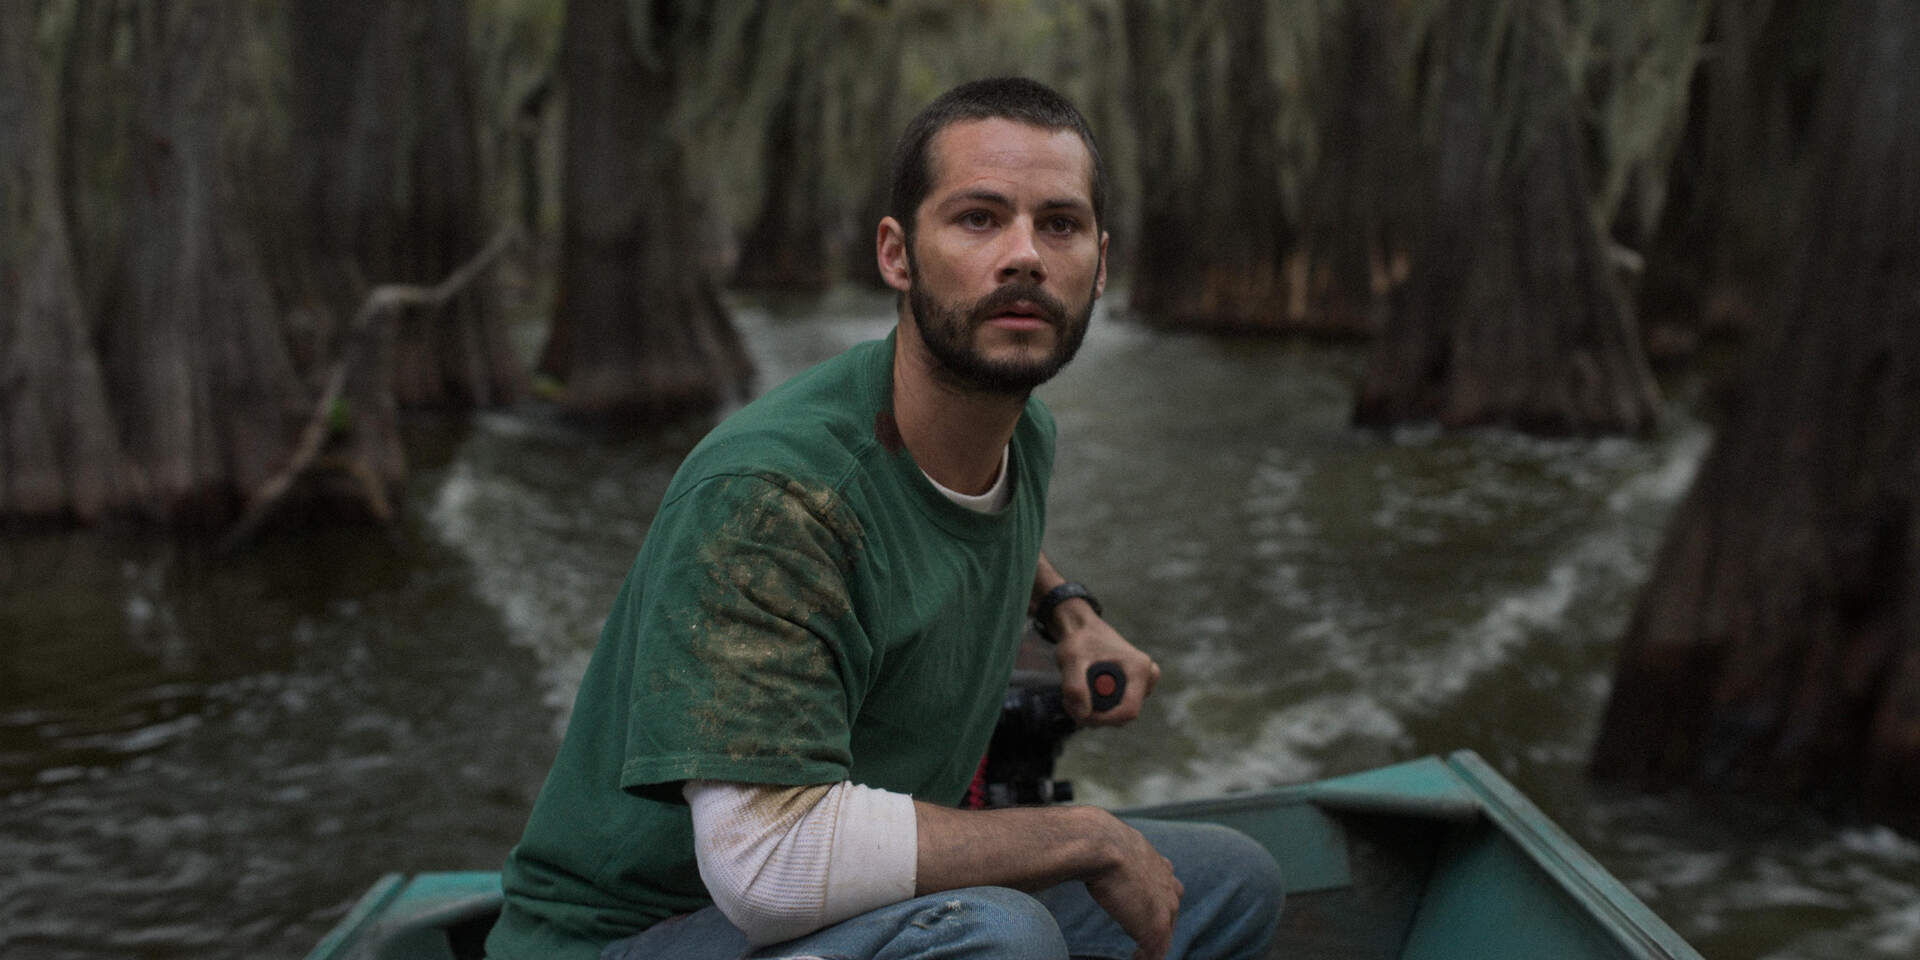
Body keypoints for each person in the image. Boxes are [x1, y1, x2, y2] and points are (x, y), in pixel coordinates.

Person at [485, 76, 1283, 960]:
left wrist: (1070, 612)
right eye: (979, 218)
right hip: (636, 935)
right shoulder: (770, 497)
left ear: (1101, 263)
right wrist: (1085, 836)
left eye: (1058, 224)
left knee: (1231, 882)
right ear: (897, 255)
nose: (1023, 254)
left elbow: (958, 519)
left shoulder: (1021, 435)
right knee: (997, 936)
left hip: (833, 914)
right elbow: (769, 866)